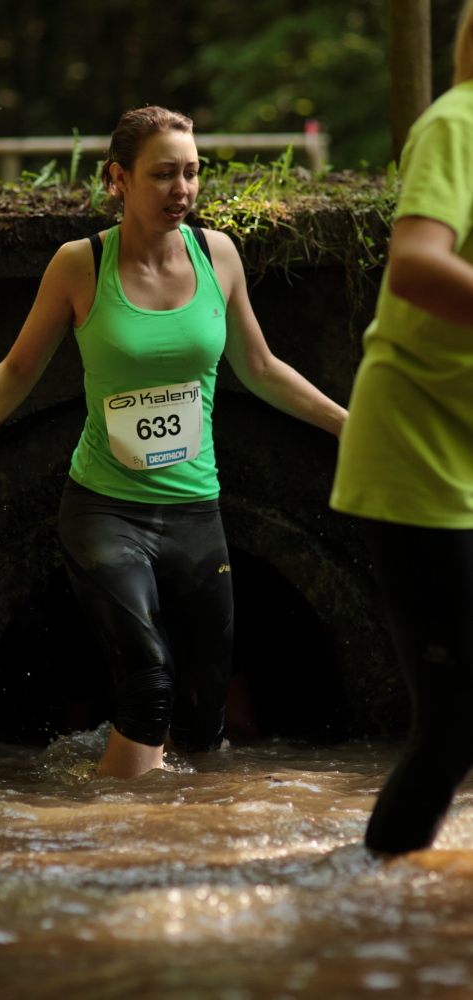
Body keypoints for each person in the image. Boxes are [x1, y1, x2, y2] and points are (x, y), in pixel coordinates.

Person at [0, 106, 347, 779]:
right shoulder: (80, 265)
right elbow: (16, 370)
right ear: (118, 178)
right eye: (162, 174)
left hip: (195, 513)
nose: (182, 189)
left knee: (204, 724)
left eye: (192, 173)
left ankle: (184, 831)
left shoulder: (218, 256)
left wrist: (347, 425)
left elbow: (262, 368)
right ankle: (108, 833)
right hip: (104, 510)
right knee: (149, 686)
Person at [331, 0, 473, 854]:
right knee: (455, 726)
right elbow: (417, 265)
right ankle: (369, 905)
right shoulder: (458, 123)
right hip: (417, 457)